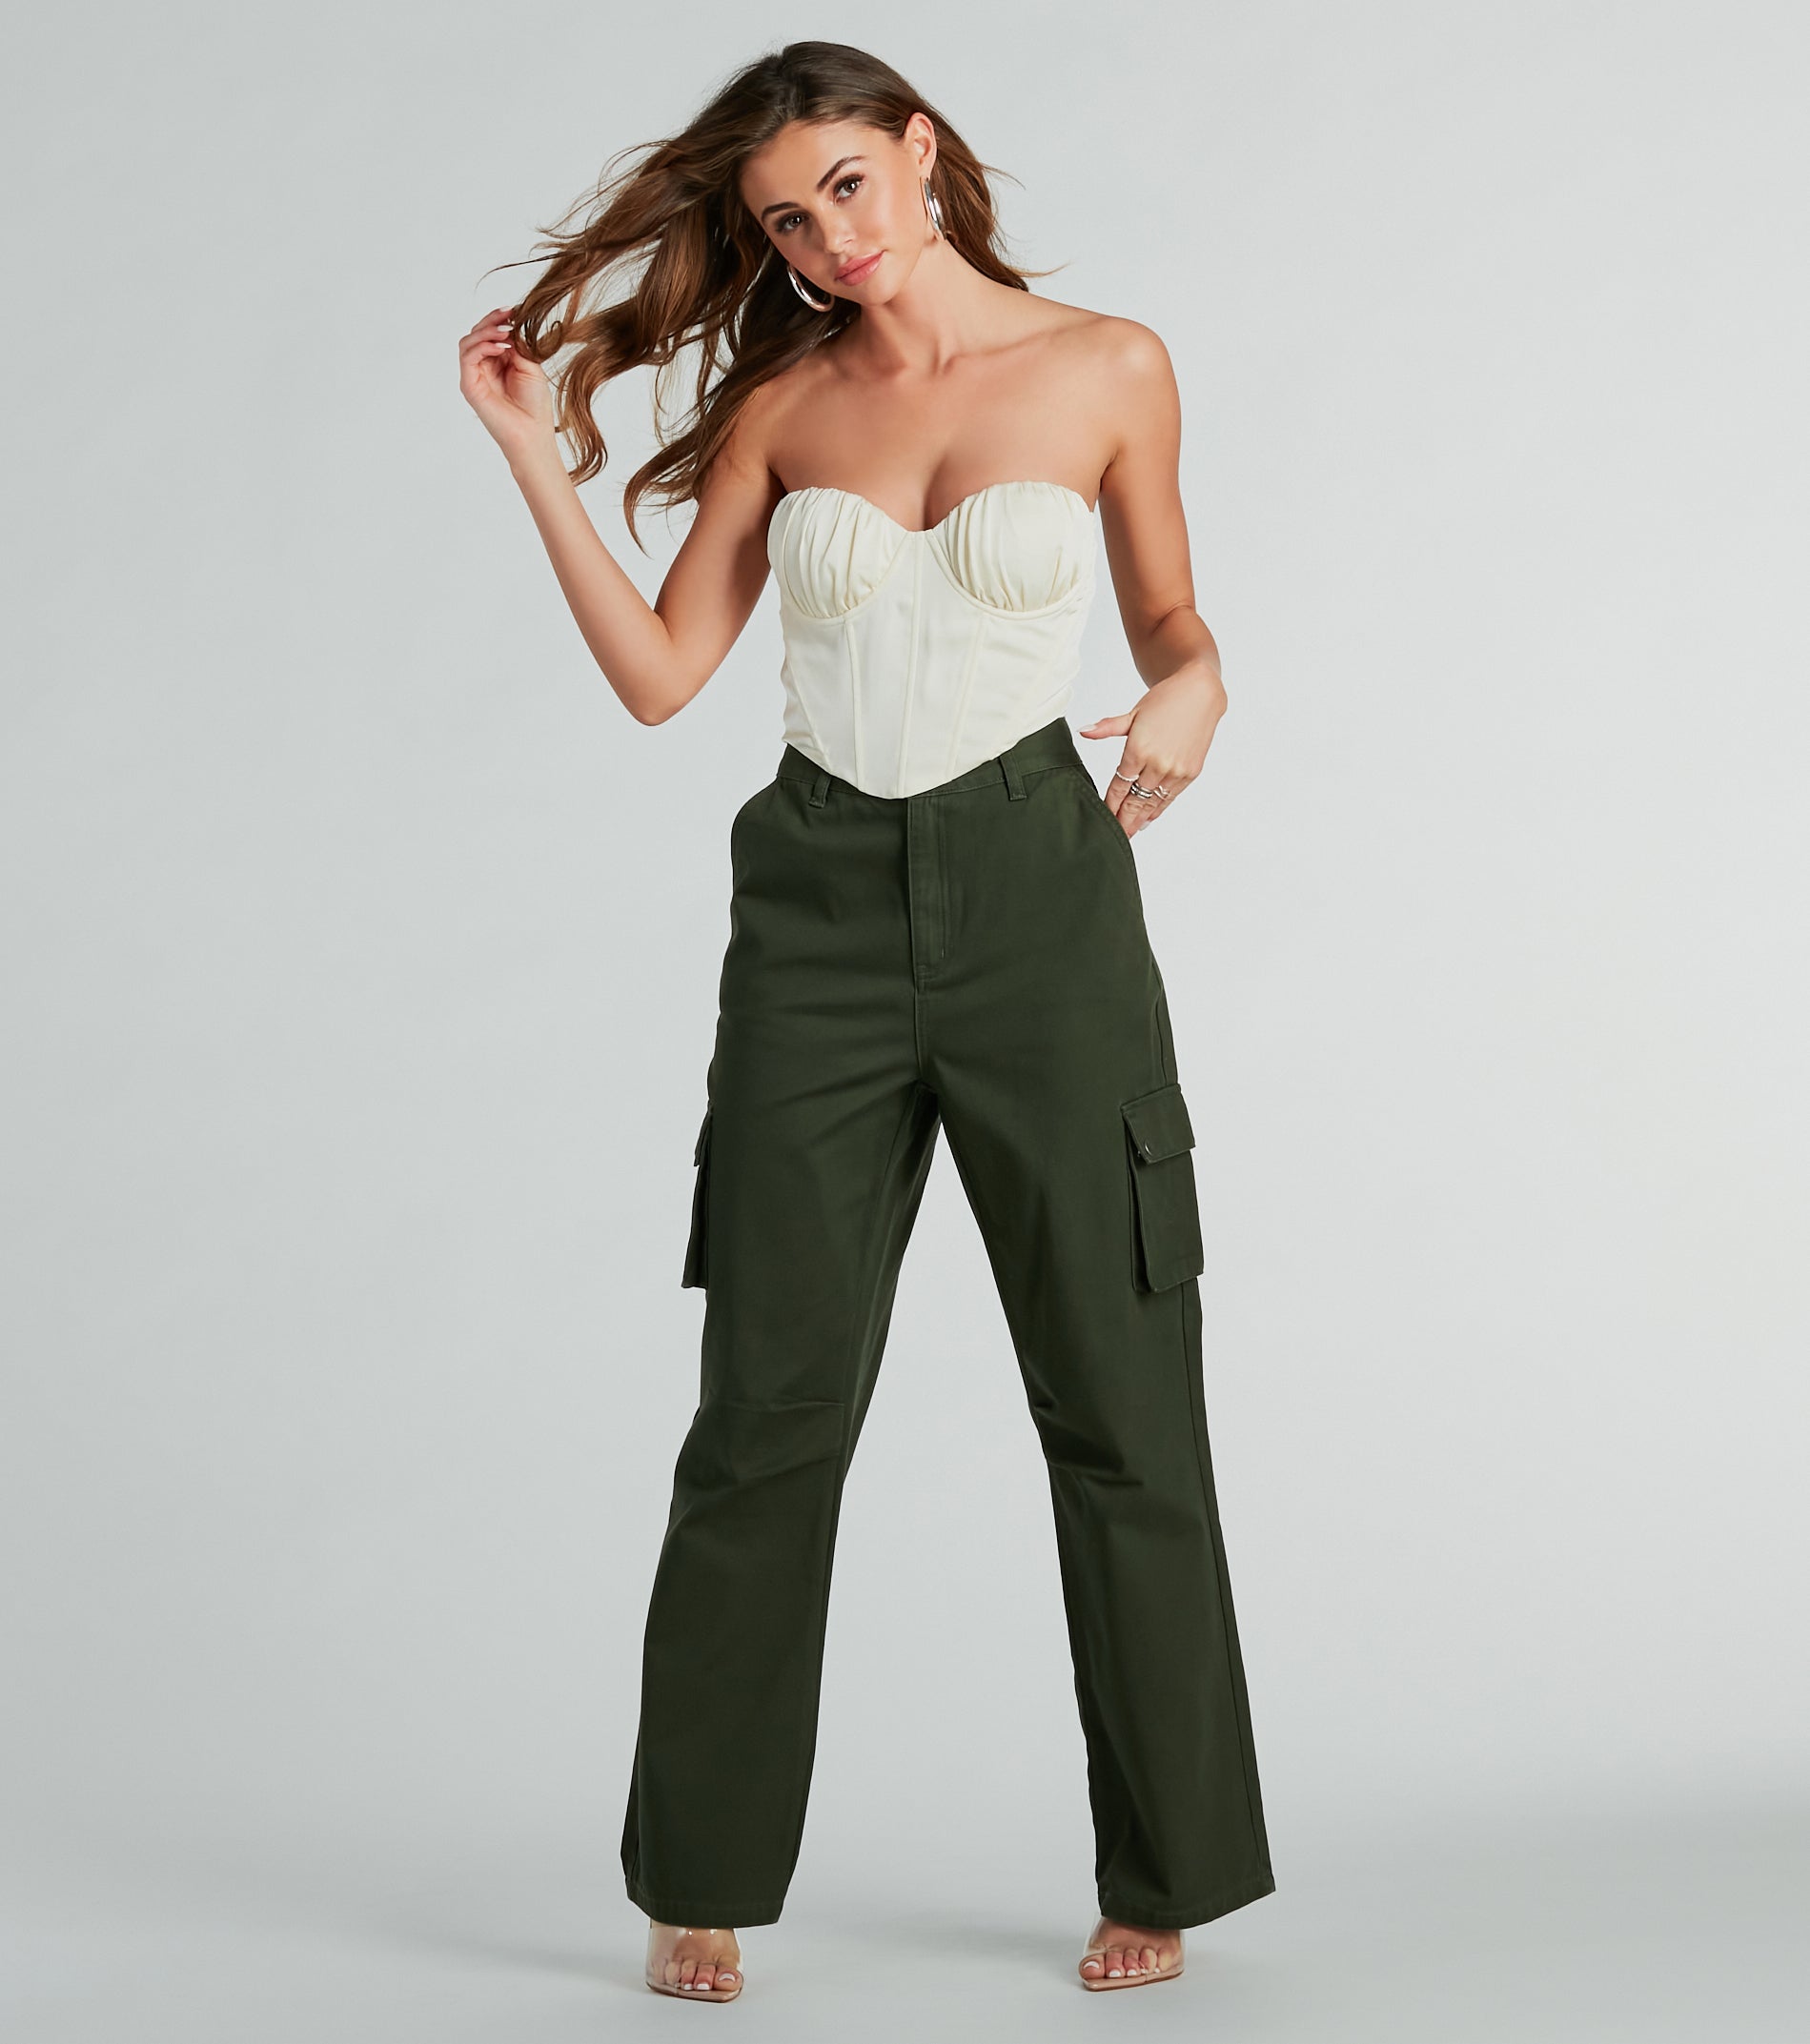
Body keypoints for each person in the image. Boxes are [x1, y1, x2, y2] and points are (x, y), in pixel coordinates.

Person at [458, 38, 1274, 2002]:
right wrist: (529, 457)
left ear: (917, 149)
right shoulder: (785, 405)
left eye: (844, 184)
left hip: (1042, 900)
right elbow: (664, 673)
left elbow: (1169, 621)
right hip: (814, 914)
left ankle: (1165, 1864)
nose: (828, 239)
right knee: (765, 1412)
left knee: (1121, 1394)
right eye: (782, 221)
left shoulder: (1106, 365)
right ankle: (700, 1871)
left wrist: (1197, 685)